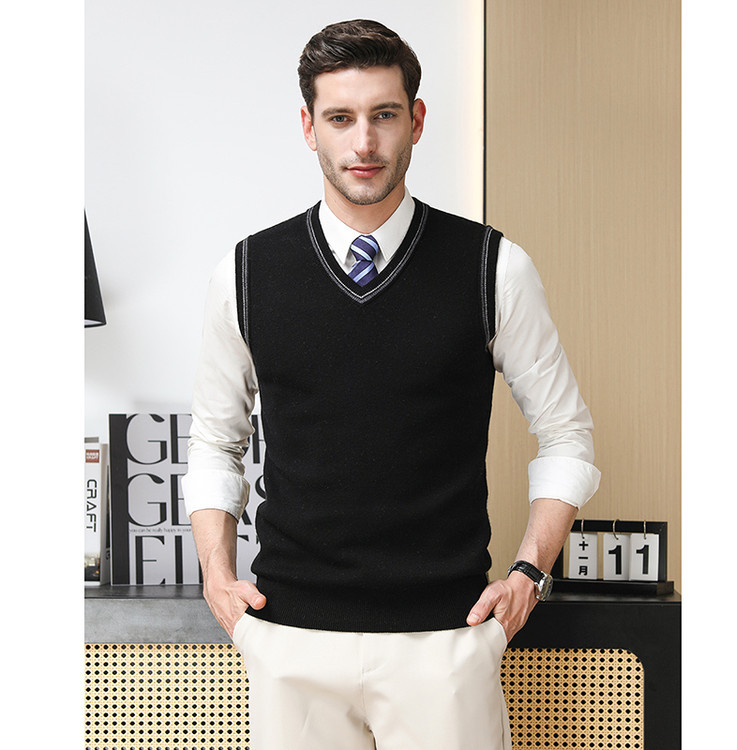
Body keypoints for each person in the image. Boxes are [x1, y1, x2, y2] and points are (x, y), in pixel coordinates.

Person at [183, 18, 600, 750]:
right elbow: (216, 441)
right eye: (341, 118)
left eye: (384, 115)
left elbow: (567, 433)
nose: (365, 143)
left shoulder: (493, 267)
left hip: (446, 641)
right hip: (291, 640)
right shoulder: (245, 274)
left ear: (417, 120)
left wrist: (530, 573)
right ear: (309, 127)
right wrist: (218, 576)